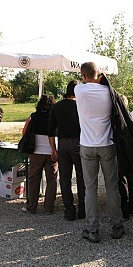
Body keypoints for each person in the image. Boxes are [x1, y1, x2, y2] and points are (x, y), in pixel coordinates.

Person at [75, 62, 125, 243]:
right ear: (100, 75)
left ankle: (92, 229)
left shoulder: (79, 90)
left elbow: (82, 83)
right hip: (107, 144)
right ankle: (117, 225)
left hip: (87, 144)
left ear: (83, 76)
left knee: (90, 188)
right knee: (112, 186)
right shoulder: (109, 93)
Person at [48, 80, 86, 221]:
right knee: (81, 177)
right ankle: (83, 209)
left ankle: (69, 210)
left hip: (62, 144)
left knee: (64, 178)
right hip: (79, 142)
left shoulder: (57, 106)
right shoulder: (81, 106)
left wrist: (53, 148)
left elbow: (50, 130)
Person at [22, 94, 58, 214]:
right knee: (51, 180)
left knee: (34, 179)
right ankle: (49, 207)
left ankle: (32, 206)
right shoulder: (55, 117)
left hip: (36, 152)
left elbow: (24, 132)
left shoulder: (33, 116)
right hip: (51, 152)